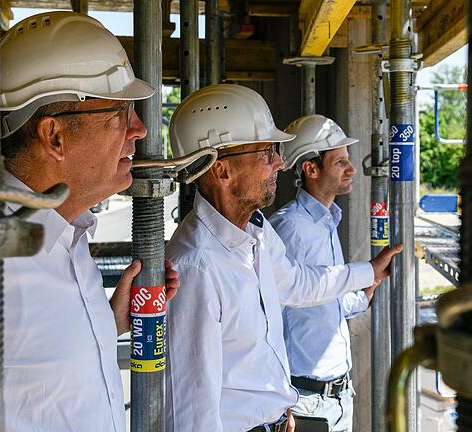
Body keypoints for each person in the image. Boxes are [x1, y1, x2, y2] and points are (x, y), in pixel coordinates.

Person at [164, 84, 402, 432]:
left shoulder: (256, 235)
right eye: (265, 152)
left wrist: (368, 272)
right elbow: (190, 411)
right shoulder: (196, 265)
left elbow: (297, 283)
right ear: (221, 170)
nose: (278, 162)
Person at [0, 11, 179, 432]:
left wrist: (105, 319)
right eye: (119, 113)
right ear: (55, 136)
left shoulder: (67, 236)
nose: (139, 129)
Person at [268, 114, 368, 432]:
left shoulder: (326, 221)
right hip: (304, 399)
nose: (351, 169)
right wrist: (283, 401)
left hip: (339, 396)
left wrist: (363, 296)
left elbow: (322, 300)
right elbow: (276, 306)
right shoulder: (289, 227)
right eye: (339, 162)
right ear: (311, 169)